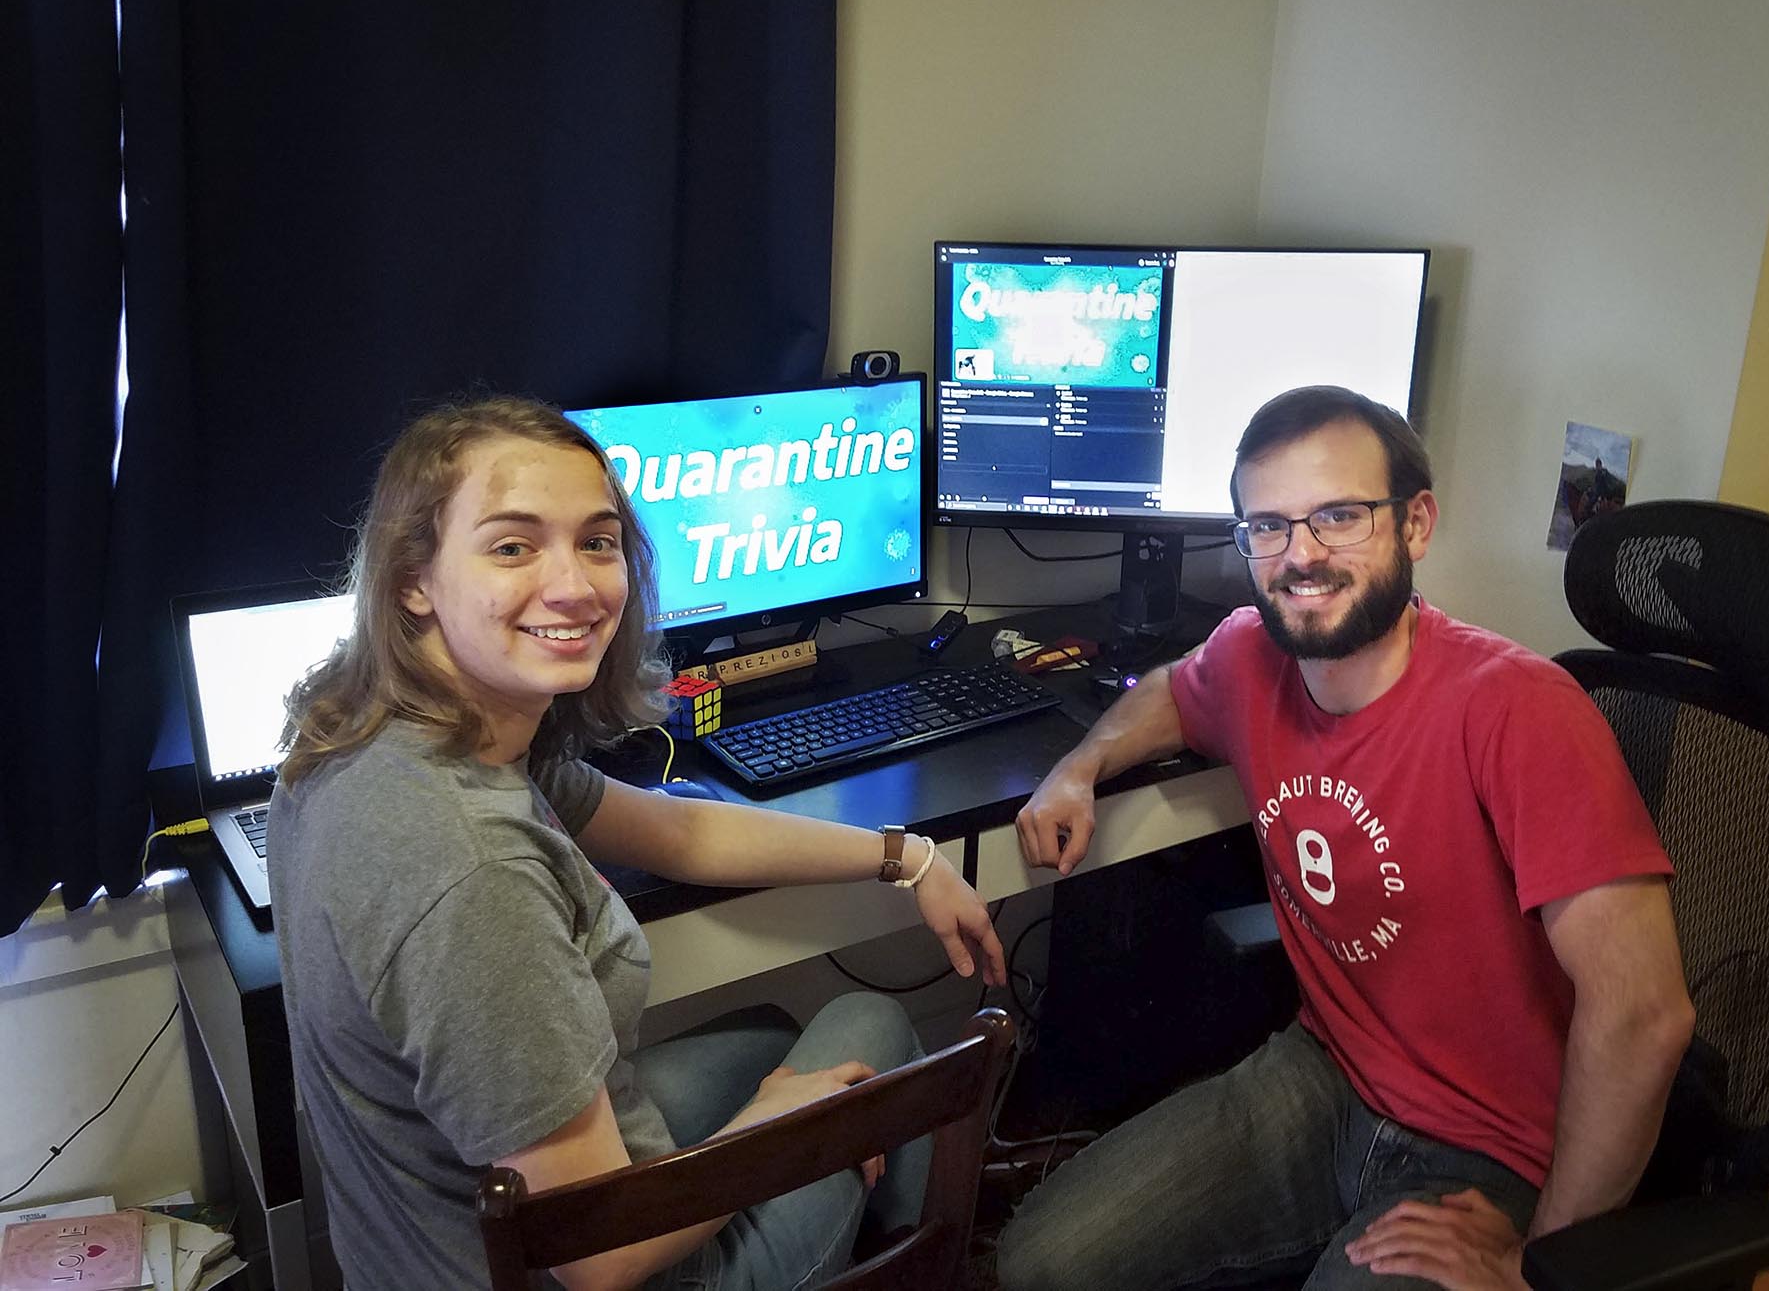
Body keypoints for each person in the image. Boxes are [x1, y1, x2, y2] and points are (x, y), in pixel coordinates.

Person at [269, 395, 1007, 1290]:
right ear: (414, 580)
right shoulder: (469, 865)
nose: (575, 585)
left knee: (772, 1033)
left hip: (431, 1240)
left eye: (597, 539)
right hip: (589, 1260)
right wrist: (766, 1124)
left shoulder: (380, 737)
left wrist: (906, 856)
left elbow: (678, 828)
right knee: (872, 1030)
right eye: (512, 545)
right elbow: (602, 1256)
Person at [998, 386, 1694, 1290]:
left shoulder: (1518, 713)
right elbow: (1170, 690)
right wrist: (1078, 767)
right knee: (1038, 1261)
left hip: (1495, 1153)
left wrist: (1543, 1266)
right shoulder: (1254, 654)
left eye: (1338, 516)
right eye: (1271, 527)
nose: (1302, 557)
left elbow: (1646, 1015)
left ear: (1416, 524)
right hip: (1325, 1077)